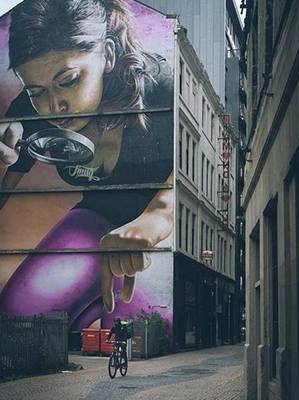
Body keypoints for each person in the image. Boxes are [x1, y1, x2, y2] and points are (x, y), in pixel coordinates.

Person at [0, 0, 173, 331]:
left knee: (141, 326)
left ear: (107, 55)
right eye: (37, 91)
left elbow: (189, 170)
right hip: (95, 217)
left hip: (161, 229)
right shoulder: (28, 110)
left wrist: (160, 215)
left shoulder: (161, 85)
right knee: (17, 317)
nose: (53, 106)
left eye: (69, 80)